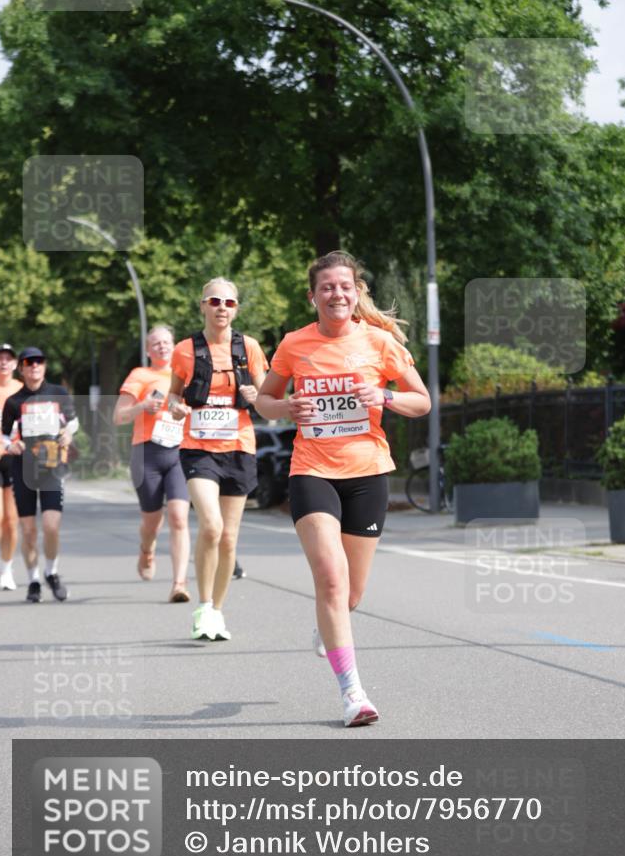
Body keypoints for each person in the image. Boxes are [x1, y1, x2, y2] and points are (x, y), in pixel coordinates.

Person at [255, 251, 430, 727]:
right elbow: (266, 400)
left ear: (357, 293)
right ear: (312, 296)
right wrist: (287, 407)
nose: (337, 294)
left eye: (345, 286)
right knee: (331, 579)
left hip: (367, 473)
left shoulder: (379, 342)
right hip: (312, 470)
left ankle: (329, 625)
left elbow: (422, 401)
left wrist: (386, 395)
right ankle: (353, 693)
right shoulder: (295, 344)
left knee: (351, 593)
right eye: (327, 287)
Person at [168, 277, 268, 641]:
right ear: (203, 306)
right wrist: (176, 407)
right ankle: (203, 604)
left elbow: (268, 397)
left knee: (229, 538)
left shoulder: (249, 347)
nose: (221, 308)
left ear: (236, 309)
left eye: (229, 302)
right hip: (198, 446)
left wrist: (256, 395)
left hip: (239, 446)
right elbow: (173, 396)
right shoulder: (185, 350)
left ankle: (217, 612)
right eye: (214, 301)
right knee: (211, 525)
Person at [113, 325, 191, 602]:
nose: (162, 346)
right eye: (156, 343)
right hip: (147, 453)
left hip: (179, 452)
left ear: (174, 345)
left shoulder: (185, 374)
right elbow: (119, 416)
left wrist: (186, 410)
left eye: (166, 342)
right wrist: (142, 406)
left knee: (179, 517)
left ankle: (179, 584)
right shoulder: (140, 375)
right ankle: (147, 549)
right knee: (151, 522)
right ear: (148, 350)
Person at [1, 347, 79, 603]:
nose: (35, 365)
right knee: (28, 530)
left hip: (52, 467)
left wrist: (68, 433)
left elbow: (73, 421)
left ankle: (51, 573)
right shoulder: (14, 401)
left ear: (44, 366)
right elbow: (4, 436)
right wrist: (11, 445)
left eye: (39, 361)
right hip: (23, 469)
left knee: (51, 526)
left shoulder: (58, 393)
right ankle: (33, 580)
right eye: (29, 362)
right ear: (21, 369)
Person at [0, 344, 22, 591]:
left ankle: (7, 568)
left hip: (16, 458)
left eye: (8, 359)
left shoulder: (23, 390)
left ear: (15, 364)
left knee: (11, 521)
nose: (4, 362)